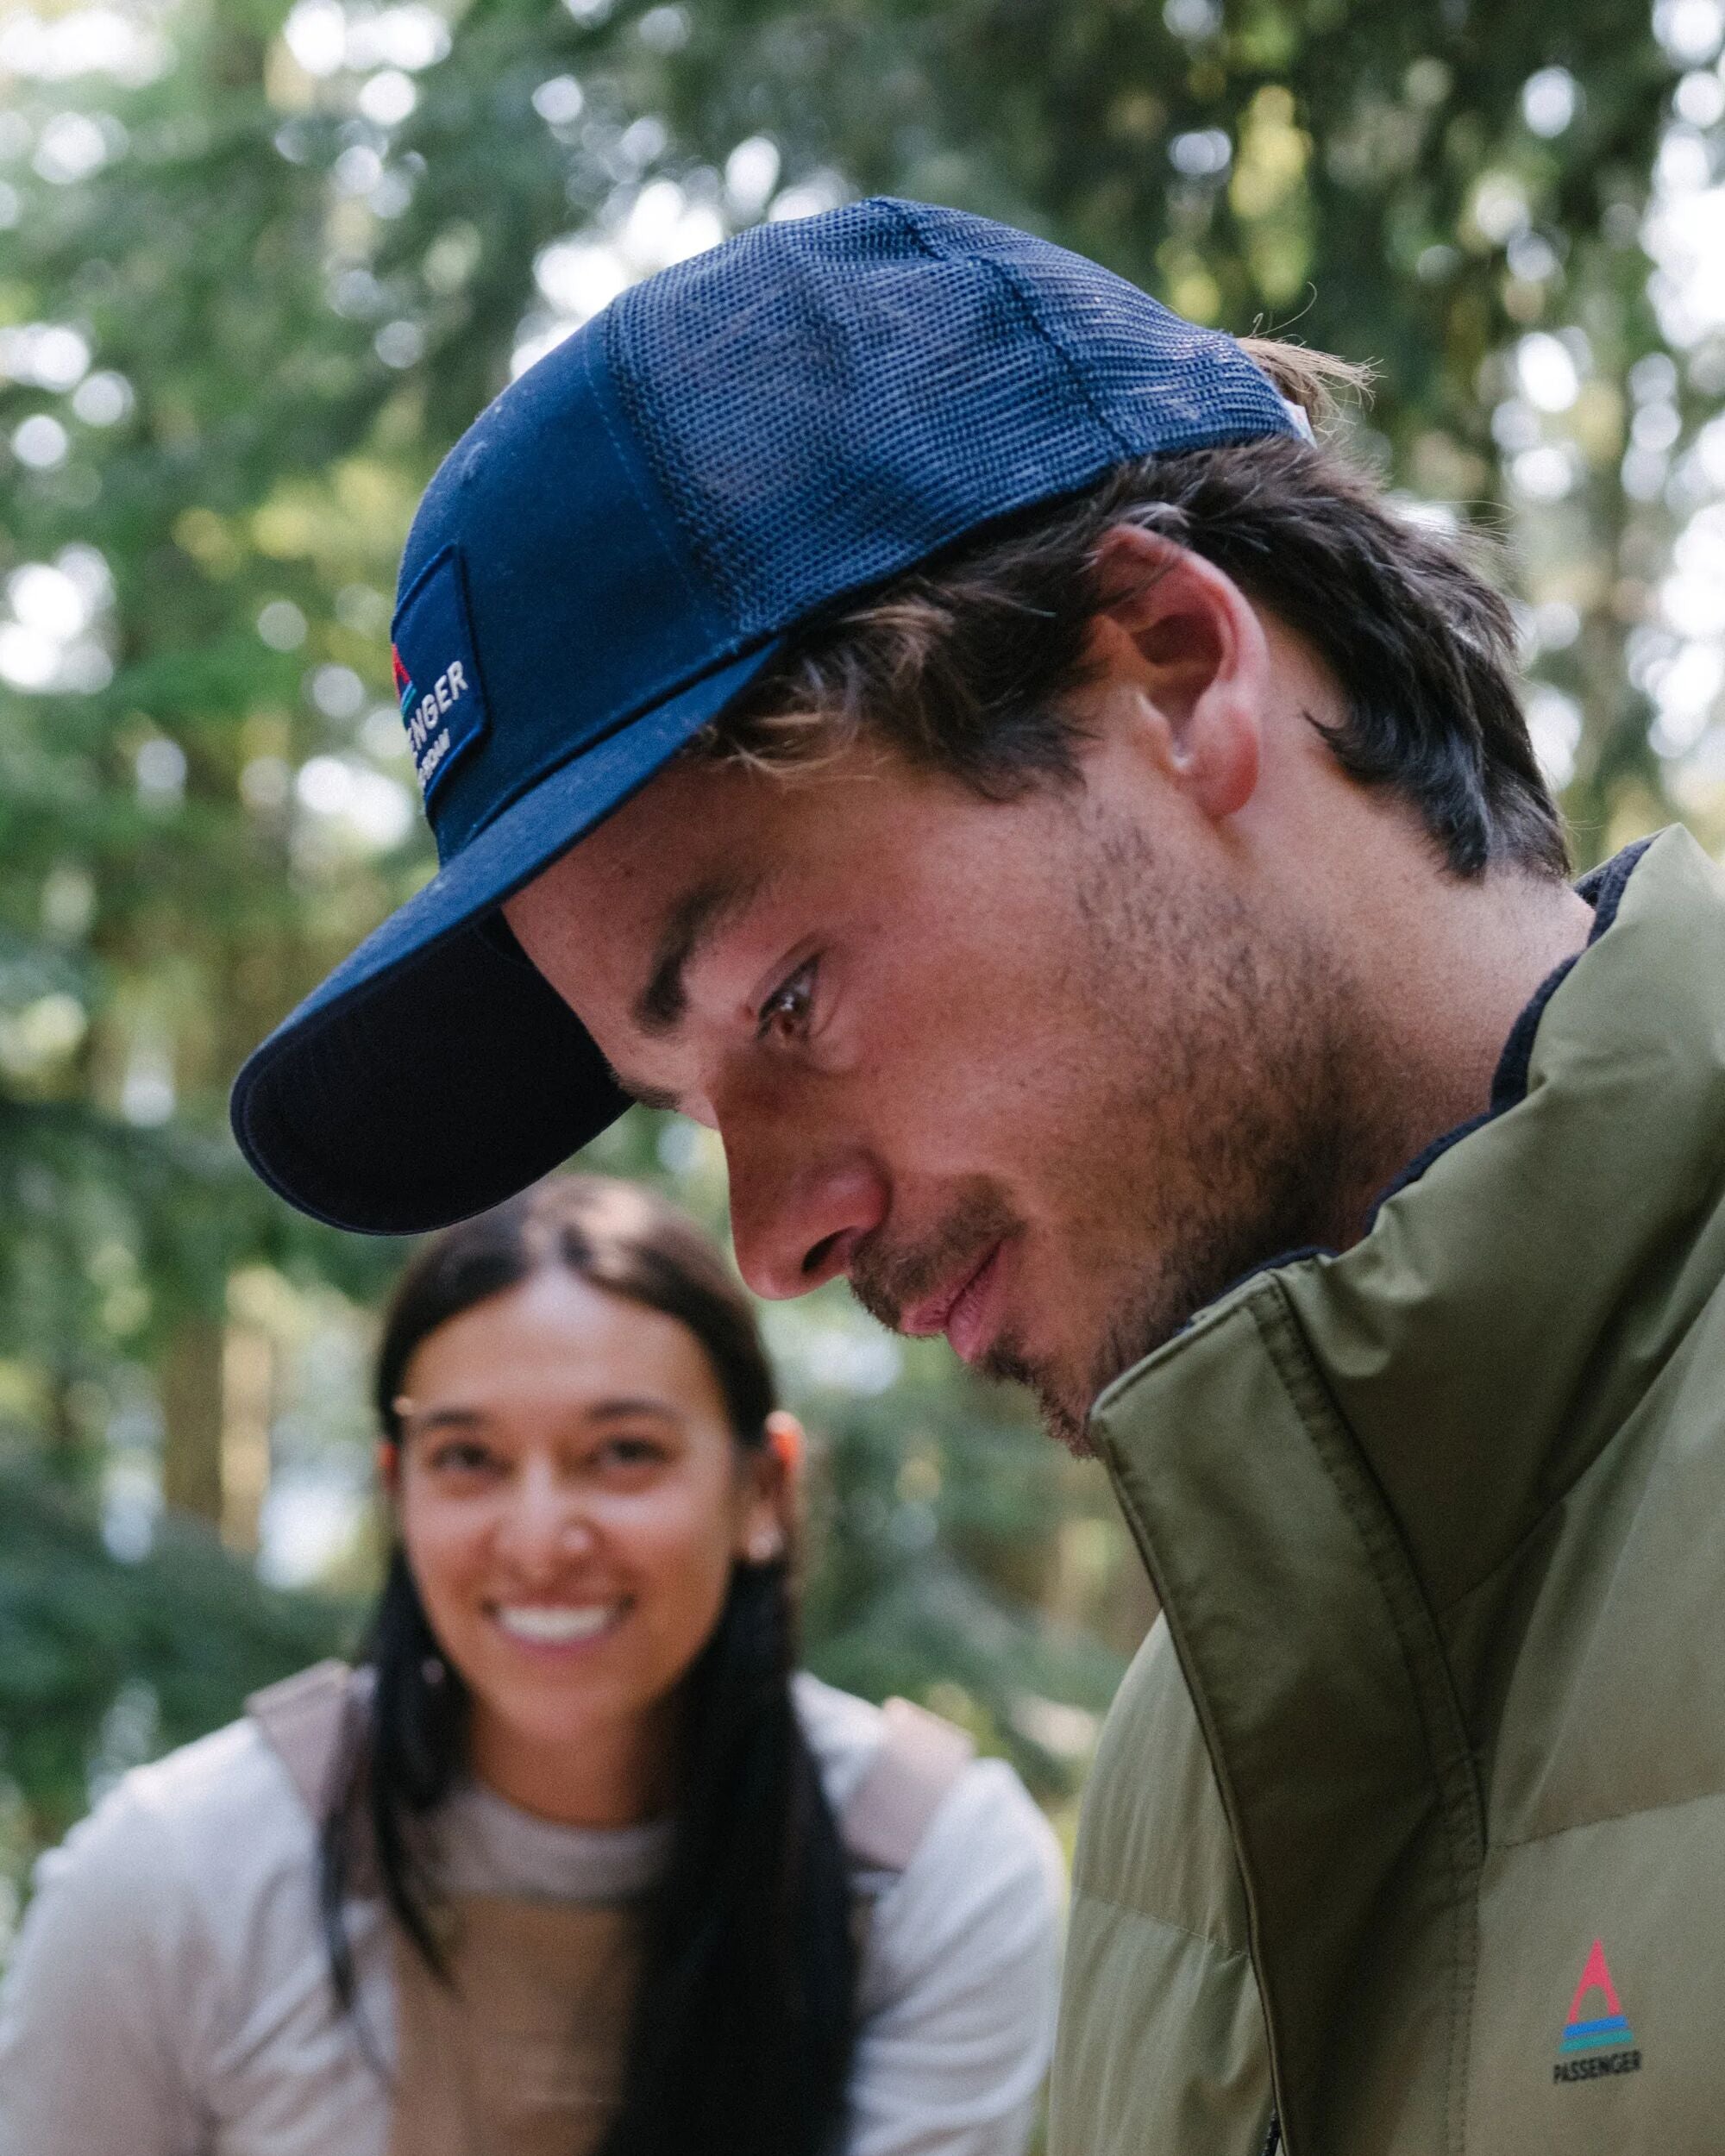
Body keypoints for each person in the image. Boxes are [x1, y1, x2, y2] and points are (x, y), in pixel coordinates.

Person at [228, 197, 1725, 2153]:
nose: (773, 1244)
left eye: (786, 1000)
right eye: (681, 1110)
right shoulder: (1190, 1750)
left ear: (1175, 666)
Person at [0, 1175, 1063, 2156]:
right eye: (468, 1458)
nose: (541, 1538)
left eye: (623, 1452)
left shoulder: (927, 1868)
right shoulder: (178, 1878)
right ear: (398, 1496)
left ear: (762, 1493)